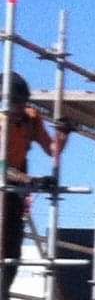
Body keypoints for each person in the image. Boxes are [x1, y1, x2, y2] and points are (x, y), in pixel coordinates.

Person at [3, 73, 56, 282]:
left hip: (13, 193)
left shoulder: (29, 119)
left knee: (11, 256)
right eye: (14, 102)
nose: (18, 108)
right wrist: (30, 180)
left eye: (22, 102)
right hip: (8, 183)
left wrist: (63, 133)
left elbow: (52, 150)